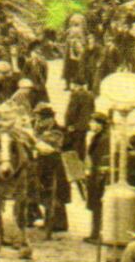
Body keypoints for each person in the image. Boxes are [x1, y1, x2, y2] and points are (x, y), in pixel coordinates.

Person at [33, 103, 70, 232]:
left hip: (54, 165)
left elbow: (48, 146)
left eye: (40, 117)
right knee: (45, 194)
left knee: (56, 195)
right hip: (44, 165)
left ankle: (59, 224)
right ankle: (49, 221)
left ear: (48, 118)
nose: (38, 120)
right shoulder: (40, 127)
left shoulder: (56, 130)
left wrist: (34, 138)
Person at [84, 112, 110, 243]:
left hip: (99, 177)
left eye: (93, 122)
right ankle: (94, 233)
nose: (91, 124)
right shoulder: (98, 137)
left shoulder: (105, 139)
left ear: (100, 124)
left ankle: (97, 234)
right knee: (95, 206)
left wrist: (99, 178)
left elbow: (104, 160)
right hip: (94, 175)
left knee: (98, 206)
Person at [64, 79, 95, 160]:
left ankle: (75, 164)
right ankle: (82, 161)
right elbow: (93, 110)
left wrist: (68, 124)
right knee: (82, 145)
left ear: (76, 85)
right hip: (85, 125)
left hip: (75, 126)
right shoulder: (90, 95)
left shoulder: (75, 95)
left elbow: (71, 112)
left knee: (74, 147)